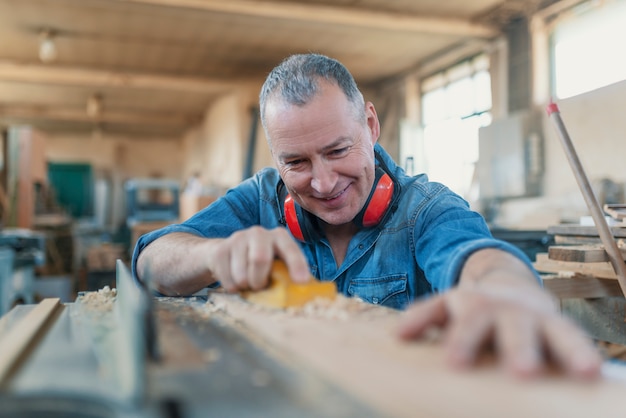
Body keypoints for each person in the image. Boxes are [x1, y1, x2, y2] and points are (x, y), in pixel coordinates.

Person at [133, 53, 601, 379]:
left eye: (338, 150)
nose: (322, 182)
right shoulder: (260, 200)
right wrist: (216, 253)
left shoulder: (426, 210)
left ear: (371, 126)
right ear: (276, 160)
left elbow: (478, 257)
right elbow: (150, 259)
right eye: (296, 163)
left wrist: (504, 289)